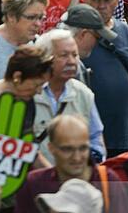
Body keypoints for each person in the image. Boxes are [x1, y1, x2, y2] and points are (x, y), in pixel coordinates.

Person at [14, 115, 128, 213]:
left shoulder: (108, 181)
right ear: (51, 148)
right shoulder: (33, 183)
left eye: (83, 148)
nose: (77, 157)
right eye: (67, 149)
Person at [77, 0, 128, 157]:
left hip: (121, 135)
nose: (101, 5)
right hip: (86, 138)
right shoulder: (72, 33)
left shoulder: (125, 31)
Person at [32, 28, 106, 162]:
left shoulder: (83, 94)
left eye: (75, 55)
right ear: (45, 58)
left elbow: (96, 138)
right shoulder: (29, 93)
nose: (72, 61)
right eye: (64, 55)